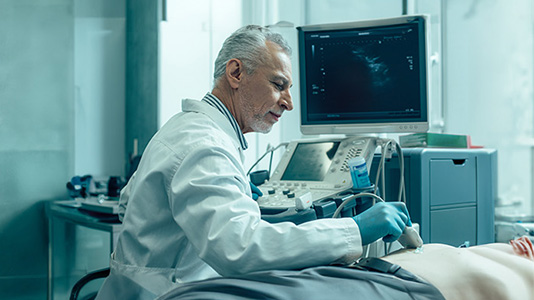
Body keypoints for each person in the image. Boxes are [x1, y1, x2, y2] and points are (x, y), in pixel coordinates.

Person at [95, 25, 412, 299]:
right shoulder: (205, 144)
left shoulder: (187, 127)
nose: (288, 102)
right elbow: (239, 249)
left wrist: (230, 193)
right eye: (278, 84)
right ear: (236, 73)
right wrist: (354, 229)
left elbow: (129, 204)